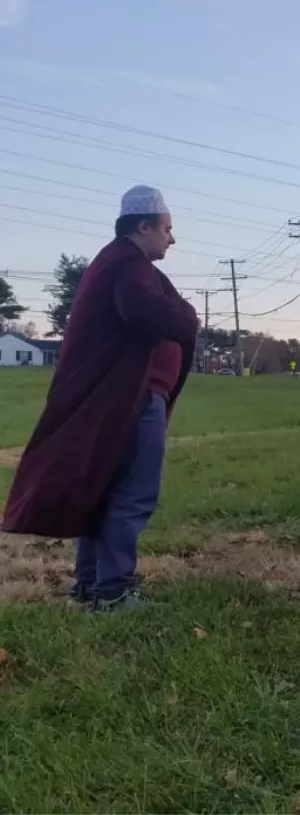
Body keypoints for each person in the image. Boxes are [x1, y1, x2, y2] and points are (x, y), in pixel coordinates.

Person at [2, 185, 198, 613]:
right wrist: (188, 315)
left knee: (103, 490)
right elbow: (140, 308)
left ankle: (91, 586)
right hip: (129, 396)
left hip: (118, 396)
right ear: (142, 226)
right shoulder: (129, 264)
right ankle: (114, 592)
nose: (172, 238)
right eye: (167, 228)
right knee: (131, 494)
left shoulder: (115, 263)